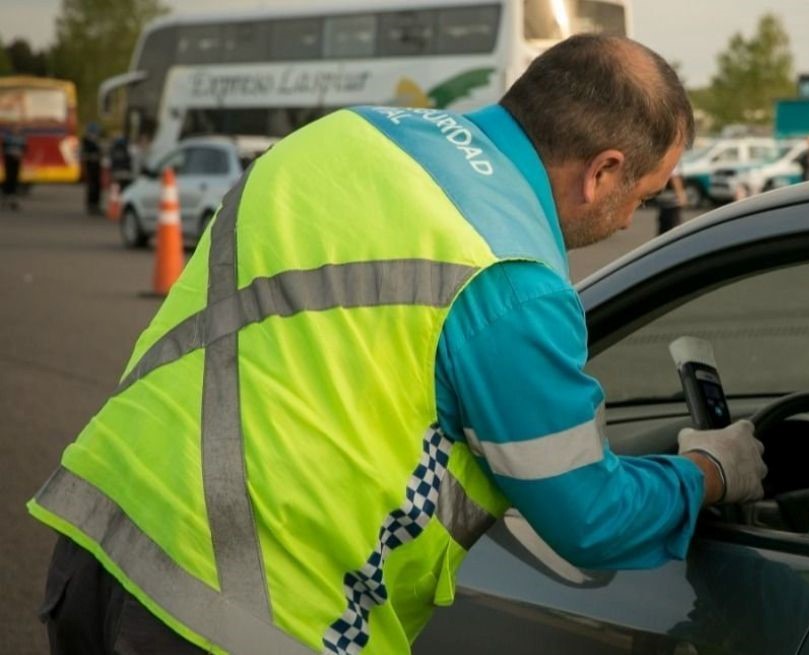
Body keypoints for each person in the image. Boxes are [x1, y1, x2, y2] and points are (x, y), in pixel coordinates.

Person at [29, 35, 767, 654]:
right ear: (603, 170)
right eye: (643, 195)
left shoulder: (340, 136)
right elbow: (590, 514)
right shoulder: (511, 279)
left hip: (97, 546)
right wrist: (709, 469)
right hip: (238, 617)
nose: (633, 215)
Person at [654, 161, 687, 235]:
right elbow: (674, 175)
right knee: (673, 229)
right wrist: (680, 194)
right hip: (672, 200)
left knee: (663, 229)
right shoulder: (673, 157)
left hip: (664, 198)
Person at [81, 123, 104, 215]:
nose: (96, 135)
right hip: (90, 167)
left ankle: (96, 205)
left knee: (97, 187)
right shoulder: (86, 142)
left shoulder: (95, 143)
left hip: (96, 167)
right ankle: (91, 206)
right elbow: (83, 155)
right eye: (95, 133)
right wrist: (92, 157)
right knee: (92, 187)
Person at [2, 126, 25, 210]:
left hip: (17, 160)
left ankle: (12, 197)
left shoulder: (21, 138)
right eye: (15, 128)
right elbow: (4, 148)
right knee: (9, 177)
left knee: (15, 178)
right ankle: (7, 196)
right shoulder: (9, 137)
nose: (16, 130)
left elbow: (24, 148)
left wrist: (20, 155)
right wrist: (11, 155)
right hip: (9, 159)